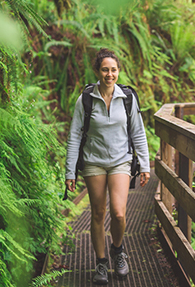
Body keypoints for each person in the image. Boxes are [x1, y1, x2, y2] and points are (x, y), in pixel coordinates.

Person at [65, 48, 150, 285]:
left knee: (119, 212)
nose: (109, 74)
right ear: (97, 71)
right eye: (105, 69)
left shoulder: (128, 98)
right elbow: (74, 136)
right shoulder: (86, 99)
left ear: (118, 71)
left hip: (121, 160)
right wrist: (69, 171)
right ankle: (101, 262)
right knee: (98, 212)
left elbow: (138, 132)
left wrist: (145, 165)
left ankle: (118, 250)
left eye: (113, 70)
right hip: (93, 161)